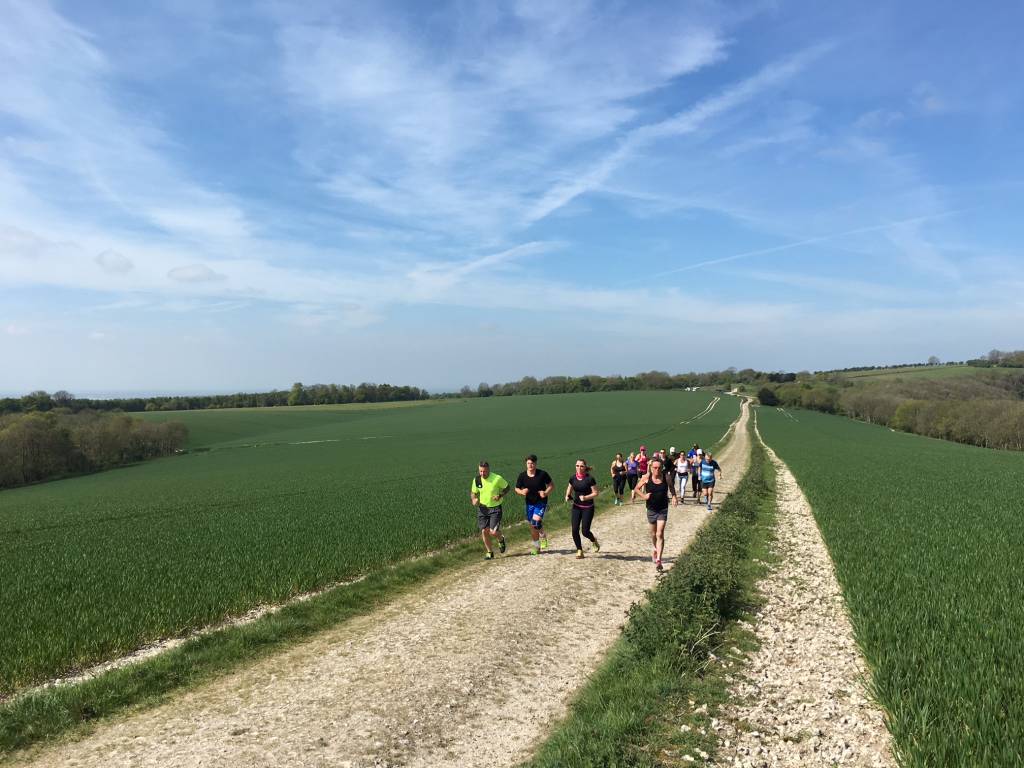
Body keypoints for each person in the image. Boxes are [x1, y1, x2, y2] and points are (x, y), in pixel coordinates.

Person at [635, 456, 675, 572]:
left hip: (663, 509)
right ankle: (655, 548)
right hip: (651, 509)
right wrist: (644, 496)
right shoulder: (647, 477)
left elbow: (671, 487)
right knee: (653, 534)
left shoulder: (666, 477)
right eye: (655, 468)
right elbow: (636, 488)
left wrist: (674, 496)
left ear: (662, 468)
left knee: (660, 533)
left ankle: (659, 560)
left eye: (659, 468)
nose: (657, 470)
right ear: (651, 468)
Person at [515, 454, 553, 555]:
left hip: (541, 502)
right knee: (532, 526)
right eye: (528, 463)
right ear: (526, 464)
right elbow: (516, 488)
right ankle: (537, 547)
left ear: (535, 463)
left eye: (532, 463)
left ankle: (543, 536)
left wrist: (545, 493)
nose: (530, 465)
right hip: (529, 503)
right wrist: (522, 492)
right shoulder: (522, 476)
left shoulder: (542, 474)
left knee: (536, 522)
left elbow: (551, 485)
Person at [470, 460, 509, 559]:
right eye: (480, 471)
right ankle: (490, 553)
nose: (482, 473)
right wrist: (473, 499)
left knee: (493, 532)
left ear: (489, 470)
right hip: (482, 509)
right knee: (484, 531)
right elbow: (473, 492)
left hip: (495, 508)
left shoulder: (497, 478)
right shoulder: (477, 480)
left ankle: (501, 539)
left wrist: (500, 495)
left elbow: (507, 487)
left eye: (484, 471)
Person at [564, 459, 600, 559]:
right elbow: (569, 487)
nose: (579, 468)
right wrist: (567, 495)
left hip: (588, 508)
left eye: (581, 466)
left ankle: (593, 540)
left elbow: (596, 493)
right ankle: (579, 550)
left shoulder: (590, 479)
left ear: (585, 467)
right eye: (577, 465)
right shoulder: (572, 478)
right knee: (574, 529)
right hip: (576, 507)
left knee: (585, 531)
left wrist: (585, 497)